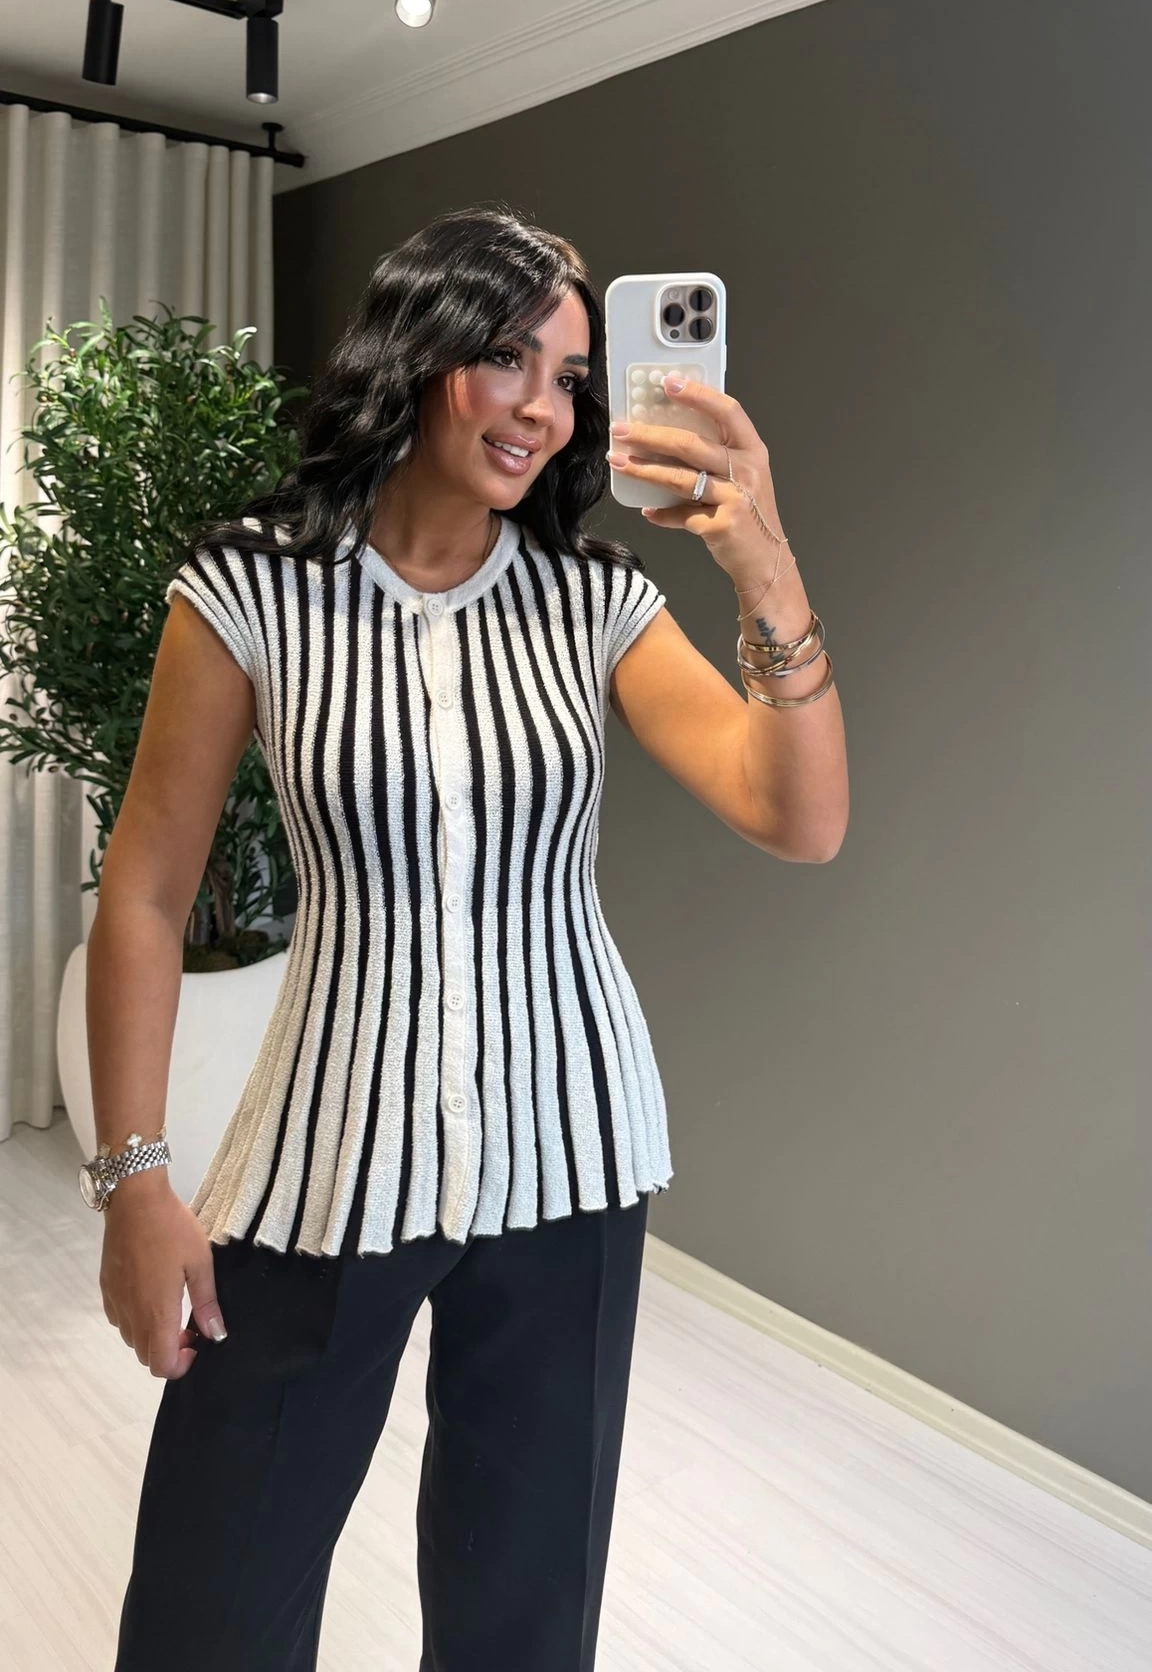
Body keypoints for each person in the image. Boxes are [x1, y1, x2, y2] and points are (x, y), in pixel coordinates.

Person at [89, 203, 846, 1670]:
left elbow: (797, 817)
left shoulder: (596, 602)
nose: (543, 408)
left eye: (572, 378)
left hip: (573, 1154)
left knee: (522, 1619)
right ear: (419, 348)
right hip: (328, 1155)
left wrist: (763, 566)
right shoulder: (250, 589)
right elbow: (146, 892)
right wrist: (135, 1181)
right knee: (209, 1605)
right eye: (508, 357)